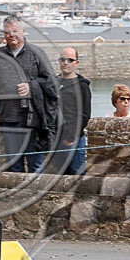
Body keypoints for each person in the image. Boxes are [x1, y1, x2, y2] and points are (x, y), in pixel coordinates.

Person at [0, 15, 59, 173]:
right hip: (9, 119)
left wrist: (31, 87)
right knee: (14, 165)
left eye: (15, 30)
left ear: (23, 31)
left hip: (33, 118)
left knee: (36, 165)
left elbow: (52, 83)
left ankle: (37, 196)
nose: (11, 34)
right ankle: (18, 198)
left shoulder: (37, 53)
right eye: (7, 32)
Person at [54, 46, 92, 175]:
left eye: (70, 60)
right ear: (59, 61)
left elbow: (85, 115)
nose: (66, 63)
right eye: (63, 59)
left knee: (77, 175)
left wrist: (70, 137)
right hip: (57, 139)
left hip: (74, 139)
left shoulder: (82, 86)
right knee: (60, 176)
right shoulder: (54, 83)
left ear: (76, 63)